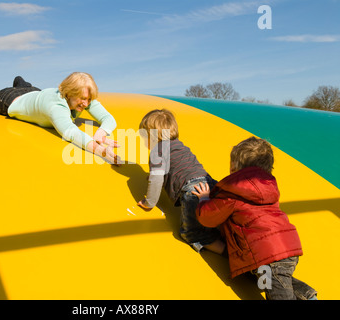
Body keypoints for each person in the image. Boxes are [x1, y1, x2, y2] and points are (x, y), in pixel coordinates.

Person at [192, 136, 317, 300]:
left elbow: (207, 218)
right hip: (287, 247)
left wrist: (204, 199)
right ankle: (308, 296)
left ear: (234, 167)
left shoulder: (233, 191)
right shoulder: (269, 187)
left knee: (277, 290)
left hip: (268, 255)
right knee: (278, 280)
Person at [0, 72, 120, 164]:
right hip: (9, 100)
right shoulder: (55, 106)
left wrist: (101, 133)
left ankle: (20, 81)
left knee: (28, 88)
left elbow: (108, 118)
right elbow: (70, 132)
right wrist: (100, 151)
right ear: (69, 93)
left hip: (35, 93)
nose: (86, 104)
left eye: (89, 99)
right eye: (82, 99)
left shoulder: (85, 98)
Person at [136, 109, 226, 254]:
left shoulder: (157, 151)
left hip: (193, 191)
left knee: (191, 233)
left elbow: (157, 178)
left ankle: (226, 252)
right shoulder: (180, 145)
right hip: (209, 184)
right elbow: (178, 168)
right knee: (214, 221)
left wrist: (149, 203)